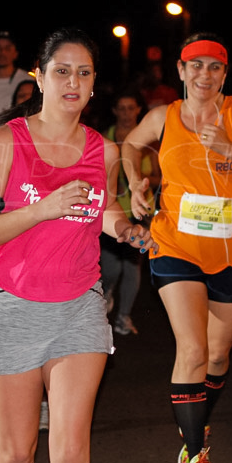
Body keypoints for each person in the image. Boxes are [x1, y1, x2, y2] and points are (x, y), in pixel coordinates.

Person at [0, 27, 156, 463]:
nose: (73, 81)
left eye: (83, 73)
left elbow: (102, 211)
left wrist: (127, 228)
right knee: (16, 452)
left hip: (79, 307)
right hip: (10, 306)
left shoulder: (104, 151)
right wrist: (39, 210)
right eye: (62, 71)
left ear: (94, 85)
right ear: (40, 79)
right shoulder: (7, 142)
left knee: (71, 451)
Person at [122, 33, 232, 463]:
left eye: (214, 67)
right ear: (180, 70)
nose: (204, 75)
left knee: (215, 357)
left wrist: (230, 149)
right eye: (196, 66)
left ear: (225, 74)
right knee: (191, 351)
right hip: (176, 244)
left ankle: (197, 421)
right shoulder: (162, 116)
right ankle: (196, 456)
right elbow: (129, 146)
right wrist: (135, 182)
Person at [100, 89, 158, 336]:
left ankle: (124, 317)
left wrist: (139, 181)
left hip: (141, 210)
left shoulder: (149, 143)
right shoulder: (105, 139)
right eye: (121, 108)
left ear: (138, 110)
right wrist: (114, 184)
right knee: (111, 267)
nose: (126, 113)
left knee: (133, 267)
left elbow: (158, 176)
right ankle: (107, 293)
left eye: (130, 108)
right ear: (114, 111)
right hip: (111, 214)